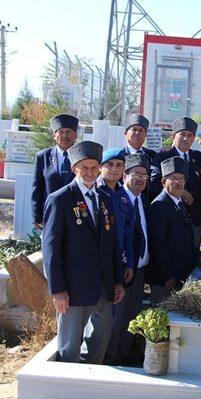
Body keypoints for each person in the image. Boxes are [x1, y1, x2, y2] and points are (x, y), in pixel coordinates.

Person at [42, 140, 125, 364]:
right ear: (73, 168)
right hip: (73, 286)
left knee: (100, 337)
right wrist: (57, 289)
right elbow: (50, 249)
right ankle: (67, 386)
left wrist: (117, 280)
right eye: (84, 167)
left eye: (94, 167)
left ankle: (91, 376)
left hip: (103, 284)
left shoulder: (104, 199)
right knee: (70, 344)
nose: (90, 172)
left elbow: (113, 243)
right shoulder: (60, 199)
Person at [149, 156, 201, 304]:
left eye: (182, 178)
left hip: (180, 272)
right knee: (164, 320)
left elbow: (183, 238)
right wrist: (167, 275)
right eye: (174, 178)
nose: (179, 182)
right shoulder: (159, 206)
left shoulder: (178, 203)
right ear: (164, 182)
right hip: (166, 278)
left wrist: (198, 254)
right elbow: (158, 245)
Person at [96, 148, 136, 363]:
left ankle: (108, 356)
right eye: (109, 165)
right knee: (98, 315)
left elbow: (129, 233)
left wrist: (129, 262)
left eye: (119, 166)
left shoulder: (122, 196)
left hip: (119, 262)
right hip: (99, 263)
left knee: (114, 313)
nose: (114, 169)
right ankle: (95, 358)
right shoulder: (95, 192)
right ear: (101, 167)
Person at [112, 152, 152, 362]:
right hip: (123, 272)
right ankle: (111, 358)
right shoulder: (117, 200)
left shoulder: (141, 200)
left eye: (144, 176)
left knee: (132, 317)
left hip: (140, 270)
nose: (140, 179)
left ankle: (125, 356)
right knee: (117, 318)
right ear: (124, 175)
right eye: (135, 174)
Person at [150, 116, 201, 249]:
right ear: (174, 136)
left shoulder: (198, 157)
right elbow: (155, 181)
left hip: (194, 217)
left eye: (190, 135)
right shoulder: (162, 156)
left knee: (193, 254)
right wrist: (179, 192)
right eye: (182, 134)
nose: (186, 138)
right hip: (170, 216)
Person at [32, 114, 79, 229]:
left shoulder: (82, 157)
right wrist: (36, 216)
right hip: (50, 212)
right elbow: (37, 188)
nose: (64, 135)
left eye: (68, 132)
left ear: (75, 135)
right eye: (61, 132)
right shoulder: (43, 156)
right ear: (54, 135)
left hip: (76, 215)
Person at [118, 113, 156, 200]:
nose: (137, 133)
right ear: (125, 133)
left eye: (141, 130)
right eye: (134, 129)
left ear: (146, 135)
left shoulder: (152, 155)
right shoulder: (119, 155)